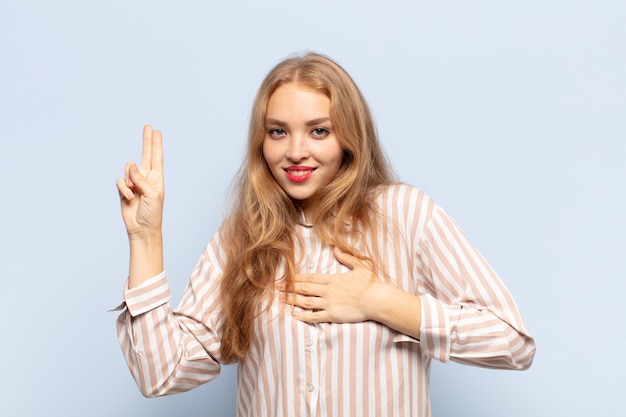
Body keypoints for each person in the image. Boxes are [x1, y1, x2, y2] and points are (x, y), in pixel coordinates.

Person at [115, 52, 535, 417]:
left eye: (319, 130)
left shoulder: (406, 215)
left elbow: (512, 342)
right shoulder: (242, 236)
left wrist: (380, 301)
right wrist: (146, 238)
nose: (296, 151)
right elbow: (161, 373)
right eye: (278, 131)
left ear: (349, 138)